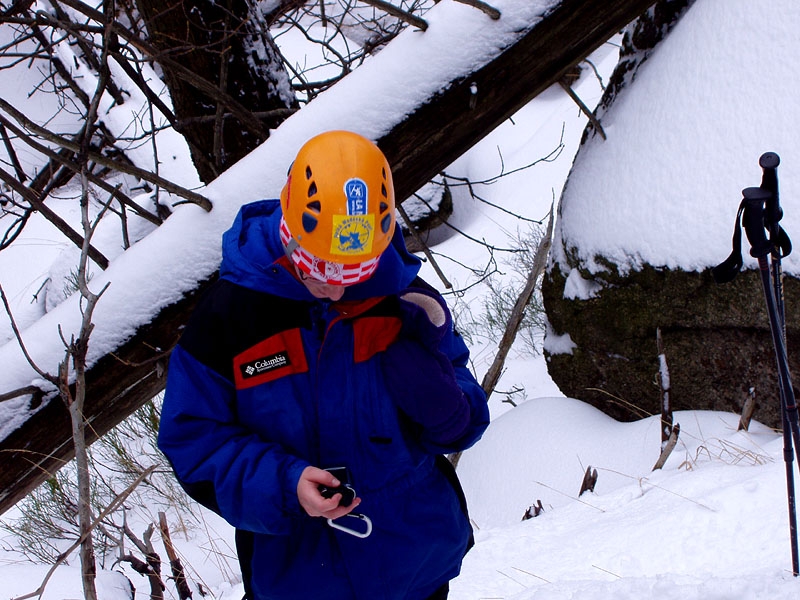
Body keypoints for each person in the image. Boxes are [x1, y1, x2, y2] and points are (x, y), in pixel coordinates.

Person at [158, 130, 490, 600]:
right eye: (320, 268)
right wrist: (285, 484)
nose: (336, 288)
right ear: (290, 234)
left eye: (354, 271)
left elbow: (463, 401)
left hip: (416, 564)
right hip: (301, 576)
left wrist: (450, 408)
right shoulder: (229, 320)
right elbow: (193, 439)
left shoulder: (402, 301)